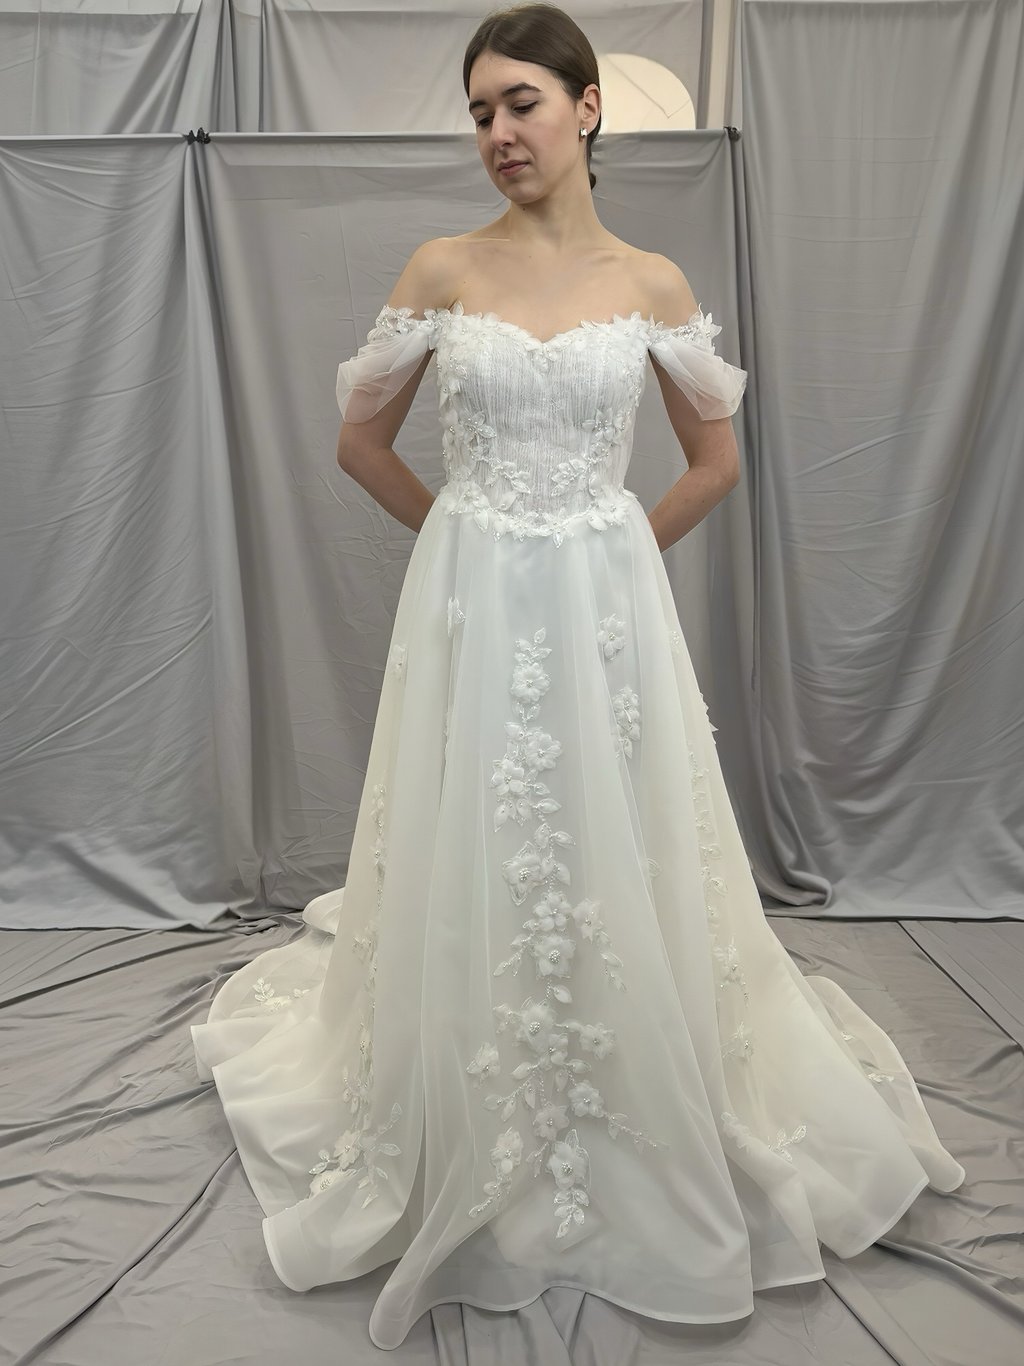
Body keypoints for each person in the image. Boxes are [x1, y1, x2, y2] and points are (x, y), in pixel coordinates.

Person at [191, 3, 965, 1351]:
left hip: (608, 617)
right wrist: (465, 535)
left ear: (588, 109)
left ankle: (622, 1077)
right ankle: (471, 1092)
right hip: (473, 604)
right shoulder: (441, 265)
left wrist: (615, 546)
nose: (499, 133)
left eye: (522, 106)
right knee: (481, 827)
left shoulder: (653, 284)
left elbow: (713, 462)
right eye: (481, 112)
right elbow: (358, 440)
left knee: (616, 832)